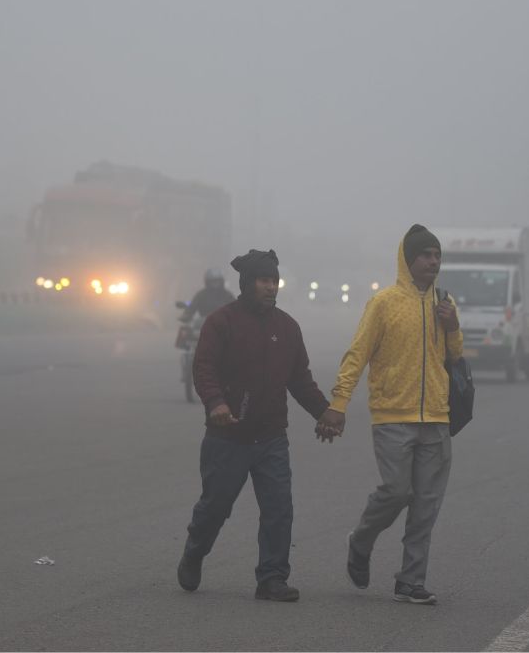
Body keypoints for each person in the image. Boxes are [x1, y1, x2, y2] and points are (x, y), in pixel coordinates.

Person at [178, 249, 334, 602]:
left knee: (279, 508)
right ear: (247, 284)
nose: (270, 287)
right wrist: (216, 403)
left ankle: (272, 578)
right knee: (215, 508)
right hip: (227, 436)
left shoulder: (287, 327)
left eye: (274, 281)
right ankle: (194, 552)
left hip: (271, 437)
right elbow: (204, 370)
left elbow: (300, 380)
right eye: (264, 280)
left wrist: (325, 411)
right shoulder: (221, 322)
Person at [317, 224, 462, 605]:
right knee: (397, 492)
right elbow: (357, 353)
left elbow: (454, 358)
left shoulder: (445, 302)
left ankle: (410, 580)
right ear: (407, 260)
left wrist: (453, 326)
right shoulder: (383, 304)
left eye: (437, 255)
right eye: (426, 255)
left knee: (426, 503)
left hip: (436, 416)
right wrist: (339, 403)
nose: (433, 261)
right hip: (392, 416)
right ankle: (361, 541)